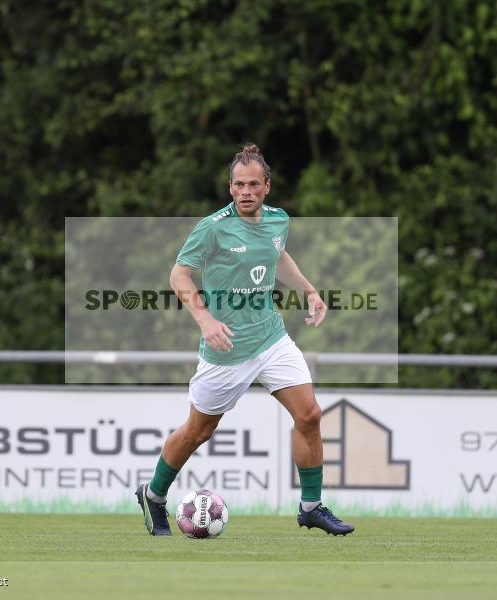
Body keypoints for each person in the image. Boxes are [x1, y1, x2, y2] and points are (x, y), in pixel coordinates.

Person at [135, 143, 354, 536]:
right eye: (239, 185)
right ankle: (153, 495)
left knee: (310, 415)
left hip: (271, 339)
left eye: (254, 184)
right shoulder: (213, 227)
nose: (246, 191)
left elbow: (277, 255)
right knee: (197, 432)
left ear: (267, 186)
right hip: (226, 351)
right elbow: (178, 276)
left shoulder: (277, 220)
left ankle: (311, 506)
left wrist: (309, 290)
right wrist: (204, 319)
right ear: (230, 187)